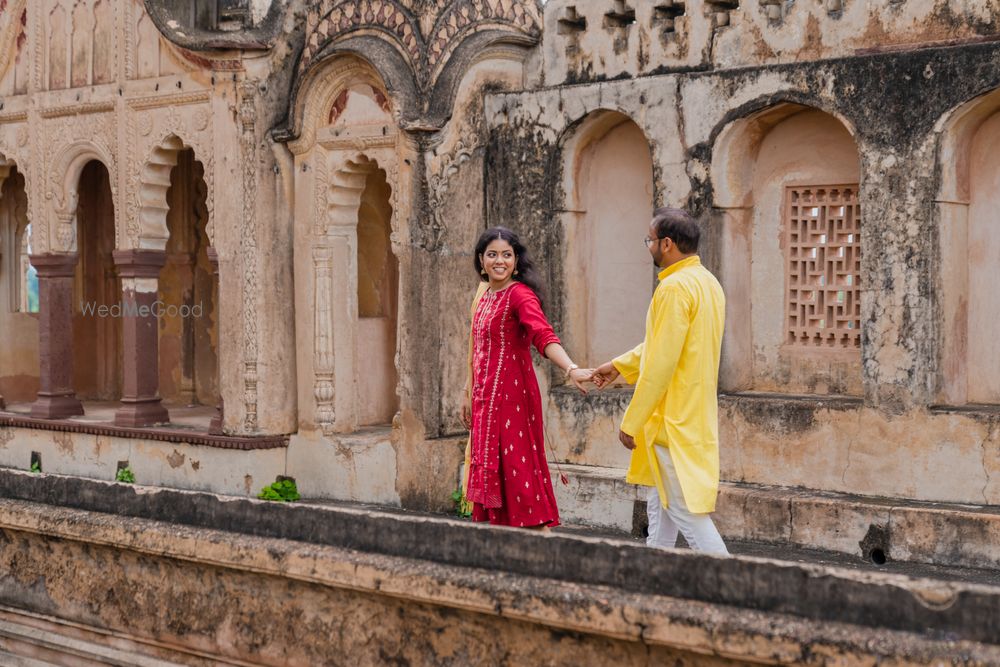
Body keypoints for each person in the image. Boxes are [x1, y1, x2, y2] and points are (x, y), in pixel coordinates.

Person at [592, 208, 729, 555]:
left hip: (671, 419)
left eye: (649, 240)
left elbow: (660, 363)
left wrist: (632, 421)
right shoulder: (707, 283)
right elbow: (664, 347)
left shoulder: (673, 288)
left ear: (666, 244)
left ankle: (735, 587)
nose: (648, 246)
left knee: (685, 511)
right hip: (691, 415)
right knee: (660, 508)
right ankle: (651, 581)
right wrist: (618, 366)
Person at [461, 227, 590, 529]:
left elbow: (543, 336)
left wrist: (570, 368)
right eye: (492, 254)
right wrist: (466, 393)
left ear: (516, 262)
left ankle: (539, 544)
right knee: (495, 478)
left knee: (518, 473)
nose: (499, 261)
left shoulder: (520, 296)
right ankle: (504, 551)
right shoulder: (484, 295)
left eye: (507, 255)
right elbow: (476, 349)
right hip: (484, 403)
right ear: (481, 260)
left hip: (511, 402)